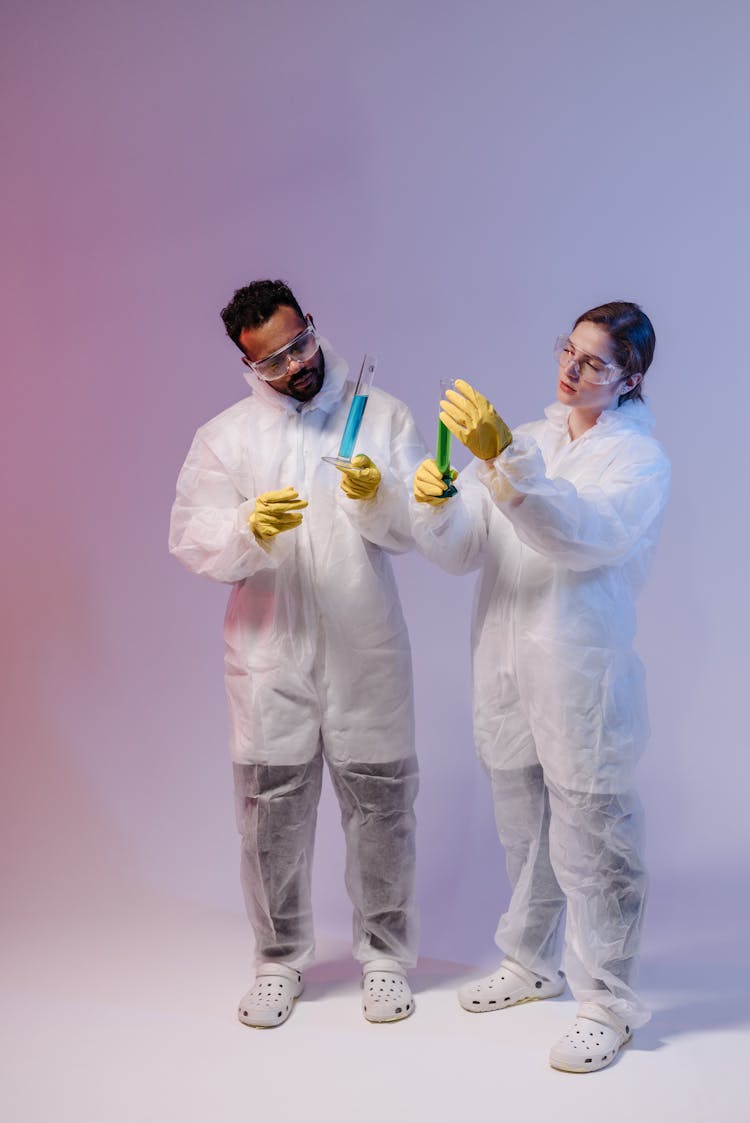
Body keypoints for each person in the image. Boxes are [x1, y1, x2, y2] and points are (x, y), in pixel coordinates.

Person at [411, 301, 670, 1072]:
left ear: (631, 378)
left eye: (593, 363)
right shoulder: (529, 436)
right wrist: (441, 503)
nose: (571, 369)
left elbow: (582, 535)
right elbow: (467, 552)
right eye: (569, 350)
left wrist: (506, 468)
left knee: (595, 838)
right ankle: (533, 962)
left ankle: (610, 1002)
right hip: (506, 662)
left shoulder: (637, 461)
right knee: (525, 828)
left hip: (579, 672)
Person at [169, 279, 426, 1027]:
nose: (297, 364)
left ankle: (385, 957)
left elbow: (420, 527)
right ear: (248, 365)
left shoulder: (380, 416)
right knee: (269, 815)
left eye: (302, 342)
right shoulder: (226, 438)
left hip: (363, 646)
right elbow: (192, 537)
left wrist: (381, 497)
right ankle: (278, 960)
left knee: (382, 806)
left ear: (314, 324)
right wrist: (251, 526)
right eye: (275, 360)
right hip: (270, 657)